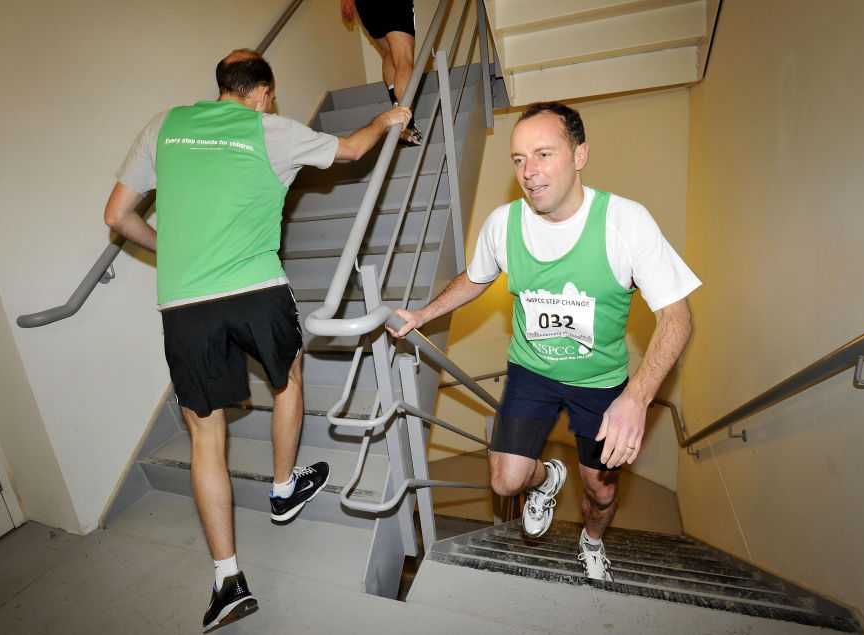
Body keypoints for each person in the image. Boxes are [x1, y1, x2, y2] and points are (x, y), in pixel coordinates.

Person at [104, 49, 411, 631]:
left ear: (221, 87)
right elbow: (350, 150)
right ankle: (283, 487)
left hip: (186, 304)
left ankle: (227, 578)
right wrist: (387, 119)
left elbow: (118, 216)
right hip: (256, 288)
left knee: (203, 433)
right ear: (265, 92)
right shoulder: (271, 130)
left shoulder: (163, 125)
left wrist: (171, 250)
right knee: (287, 377)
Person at [389, 102, 699, 582]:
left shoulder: (625, 223)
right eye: (518, 160)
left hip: (600, 381)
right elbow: (475, 277)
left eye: (543, 154)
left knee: (600, 491)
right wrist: (423, 314)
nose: (529, 172)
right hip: (531, 370)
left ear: (579, 155)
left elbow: (677, 318)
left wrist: (636, 398)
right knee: (506, 479)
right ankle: (548, 478)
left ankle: (592, 542)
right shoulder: (503, 224)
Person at [341, 0, 424, 146]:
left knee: (388, 51)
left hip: (365, 6)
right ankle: (408, 126)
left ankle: (397, 110)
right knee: (403, 58)